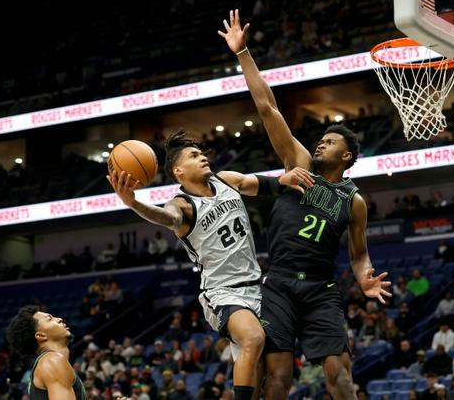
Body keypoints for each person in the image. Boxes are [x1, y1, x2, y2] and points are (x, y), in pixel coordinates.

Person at [218, 9, 391, 400]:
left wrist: (364, 276)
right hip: (278, 283)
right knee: (277, 377)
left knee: (339, 373)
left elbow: (358, 253)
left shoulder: (354, 201)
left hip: (320, 288)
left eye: (330, 142)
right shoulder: (299, 165)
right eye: (321, 140)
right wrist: (243, 53)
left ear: (347, 156)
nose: (320, 144)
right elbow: (267, 108)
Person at [108, 130, 312, 400]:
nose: (203, 157)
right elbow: (166, 218)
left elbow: (260, 184)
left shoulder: (226, 179)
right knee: (253, 338)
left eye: (202, 153)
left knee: (271, 374)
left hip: (258, 288)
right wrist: (133, 203)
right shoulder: (182, 205)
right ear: (179, 171)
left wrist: (285, 179)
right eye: (194, 155)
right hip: (222, 293)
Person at [5, 306, 97, 399]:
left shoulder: (46, 363)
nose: (59, 319)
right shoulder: (52, 361)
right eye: (49, 319)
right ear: (41, 335)